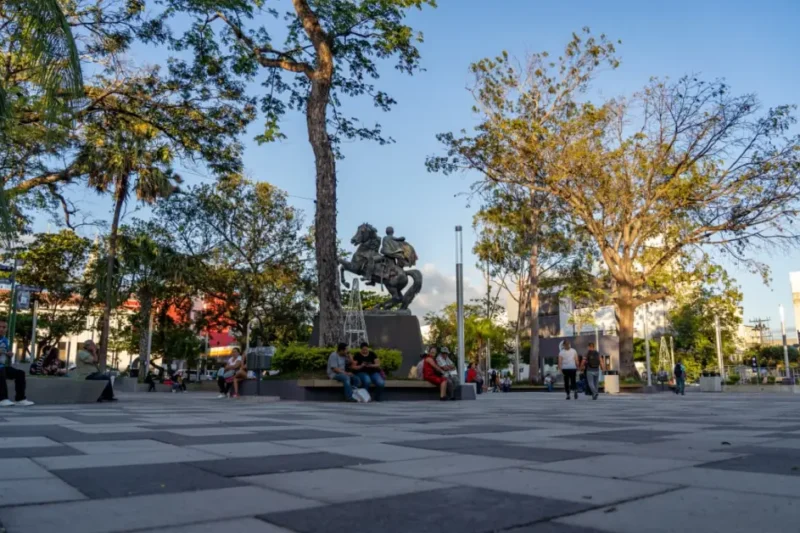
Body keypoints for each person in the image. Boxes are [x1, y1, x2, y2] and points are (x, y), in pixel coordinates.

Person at [0, 319, 34, 407]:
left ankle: (20, 399)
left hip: (2, 366)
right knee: (1, 371)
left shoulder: (5, 340)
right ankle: (3, 399)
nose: (2, 329)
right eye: (0, 327)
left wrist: (10, 354)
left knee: (20, 373)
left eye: (4, 327)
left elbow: (6, 352)